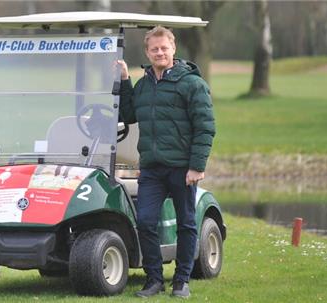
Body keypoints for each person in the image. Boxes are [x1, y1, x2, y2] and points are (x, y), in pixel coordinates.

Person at [117, 26, 215, 298]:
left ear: (173, 49)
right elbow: (128, 114)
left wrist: (197, 165)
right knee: (146, 222)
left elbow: (205, 127)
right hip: (151, 168)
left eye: (164, 48)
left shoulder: (192, 84)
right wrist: (125, 80)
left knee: (186, 222)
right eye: (154, 49)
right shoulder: (144, 85)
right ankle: (154, 279)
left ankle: (181, 280)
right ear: (147, 52)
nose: (159, 52)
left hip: (183, 168)